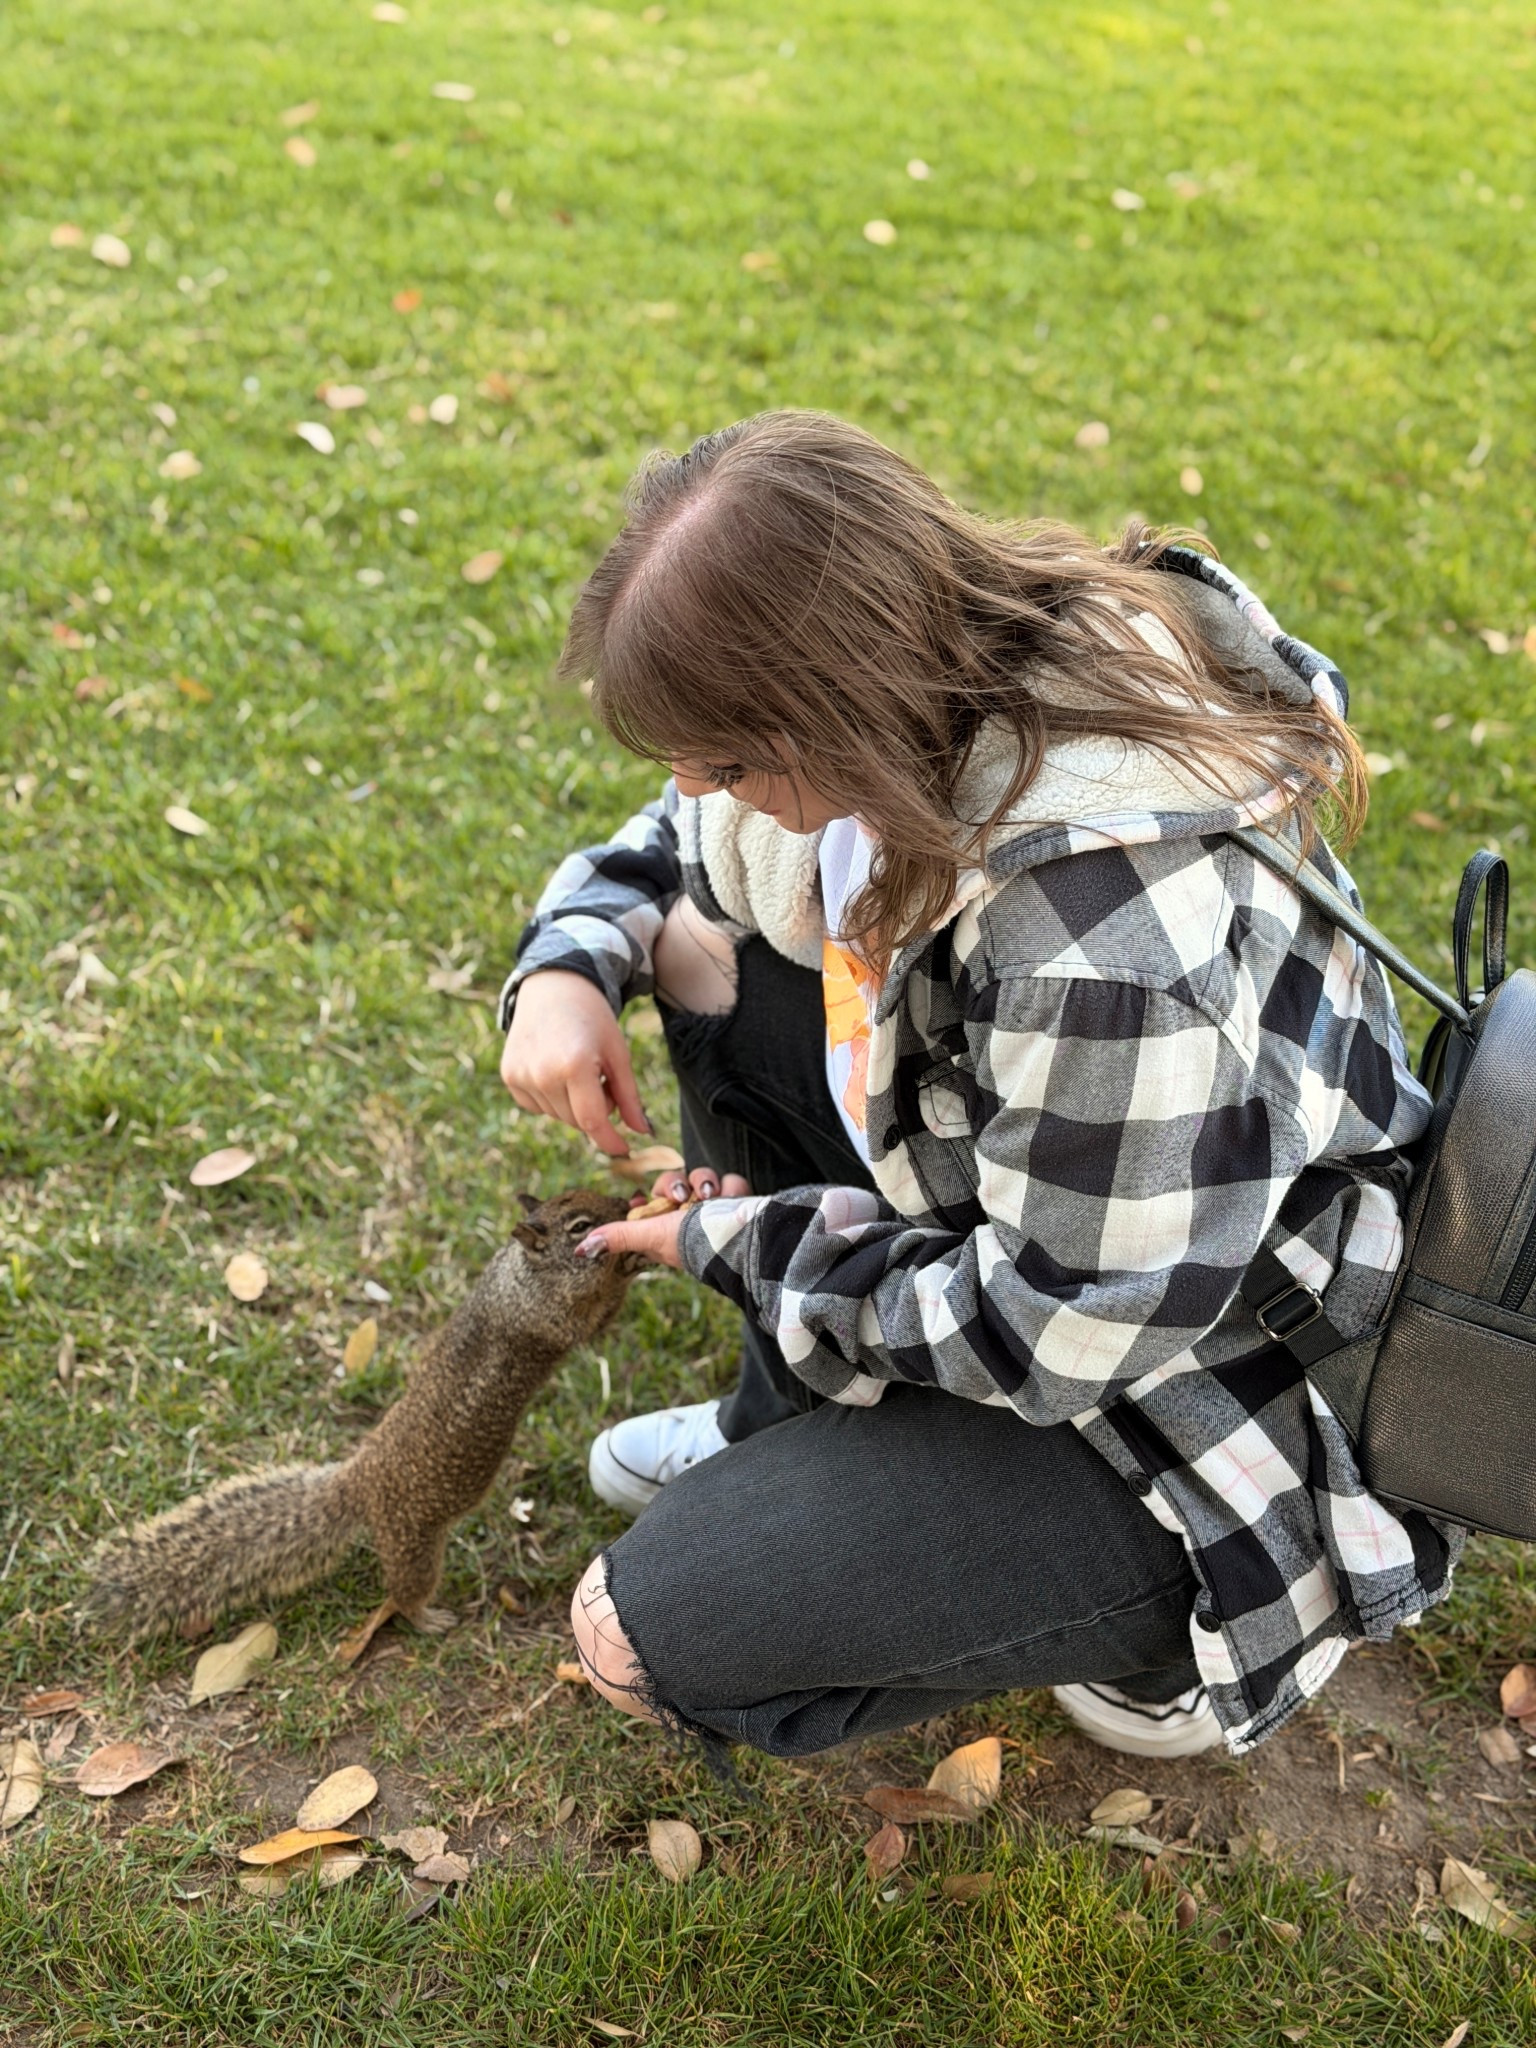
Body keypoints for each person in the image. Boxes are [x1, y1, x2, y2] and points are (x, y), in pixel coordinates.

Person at [498, 410, 1461, 1764]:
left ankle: (1162, 1634)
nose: (691, 788)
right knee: (694, 945)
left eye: (723, 759)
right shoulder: (952, 658)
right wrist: (567, 968)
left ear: (824, 710)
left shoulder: (1097, 935)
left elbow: (1056, 1332)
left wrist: (741, 1244)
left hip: (1201, 1390)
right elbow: (672, 843)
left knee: (640, 1630)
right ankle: (793, 1420)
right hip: (1077, 1229)